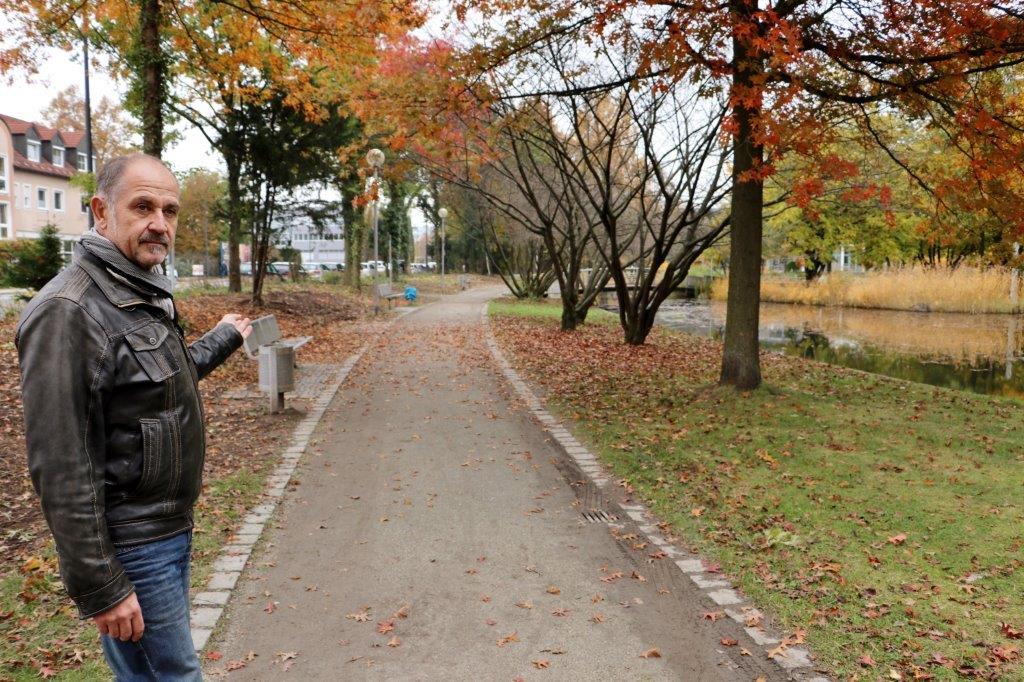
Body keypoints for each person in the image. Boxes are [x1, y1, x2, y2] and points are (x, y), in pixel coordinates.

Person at [16, 153, 252, 680]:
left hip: (166, 531)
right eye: (142, 206)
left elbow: (162, 383)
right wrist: (103, 586)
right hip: (132, 546)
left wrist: (224, 337)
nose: (159, 224)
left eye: (169, 211)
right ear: (101, 212)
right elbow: (61, 465)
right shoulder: (70, 311)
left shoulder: (134, 291)